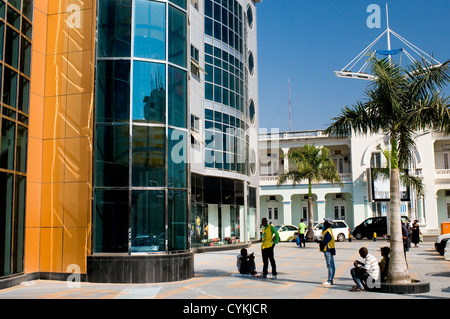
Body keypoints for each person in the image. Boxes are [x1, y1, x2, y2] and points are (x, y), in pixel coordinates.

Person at [317, 218, 336, 285]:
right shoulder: (326, 230)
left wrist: (318, 241)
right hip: (329, 250)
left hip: (328, 250)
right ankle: (330, 280)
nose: (323, 223)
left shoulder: (328, 231)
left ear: (327, 224)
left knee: (330, 265)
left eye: (325, 222)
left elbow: (325, 241)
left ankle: (330, 280)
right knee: (331, 265)